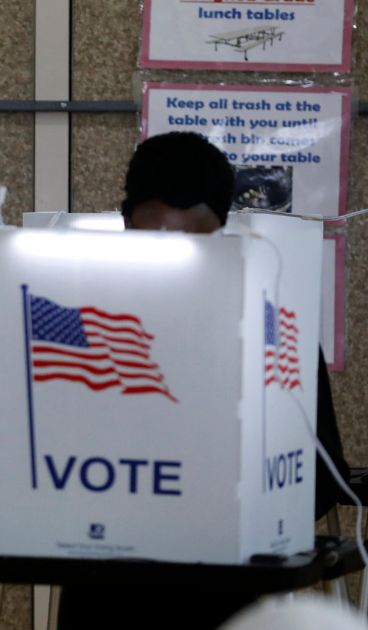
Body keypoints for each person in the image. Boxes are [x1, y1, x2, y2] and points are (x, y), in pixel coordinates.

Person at [56, 131, 350, 630]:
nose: (172, 258)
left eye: (193, 241)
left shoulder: (271, 322)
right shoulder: (79, 319)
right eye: (154, 240)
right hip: (103, 592)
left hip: (225, 593)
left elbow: (319, 477)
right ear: (126, 225)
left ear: (223, 231)